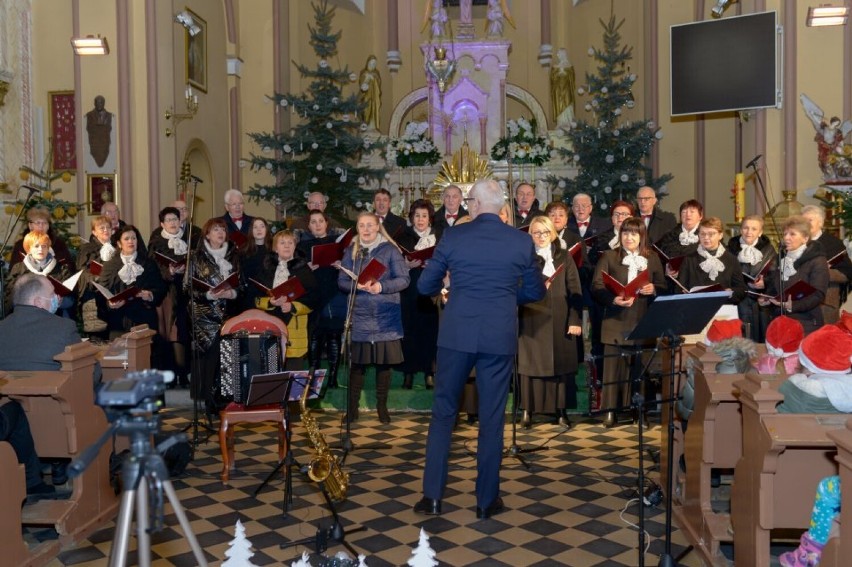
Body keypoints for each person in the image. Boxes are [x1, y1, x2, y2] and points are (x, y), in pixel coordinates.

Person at [414, 179, 546, 519]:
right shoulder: (520, 241)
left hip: (456, 334)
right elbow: (534, 292)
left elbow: (424, 285)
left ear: (473, 205)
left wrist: (452, 286)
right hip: (497, 336)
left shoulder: (454, 236)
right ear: (501, 207)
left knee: (444, 414)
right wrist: (503, 296)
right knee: (491, 419)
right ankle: (486, 502)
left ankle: (431, 498)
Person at [0, 274, 80, 501]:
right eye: (52, 295)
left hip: (13, 415)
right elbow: (90, 376)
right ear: (37, 302)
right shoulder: (64, 327)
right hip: (60, 423)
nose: (57, 298)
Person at [592, 217, 667, 427]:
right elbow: (597, 285)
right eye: (625, 233)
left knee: (639, 369)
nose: (629, 237)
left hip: (642, 319)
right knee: (612, 367)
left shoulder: (651, 258)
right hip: (616, 318)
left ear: (642, 236)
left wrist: (653, 289)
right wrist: (612, 298)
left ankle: (638, 411)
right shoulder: (609, 256)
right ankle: (610, 411)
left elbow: (662, 284)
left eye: (634, 233)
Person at [337, 211, 410, 424]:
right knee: (357, 366)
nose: (366, 229)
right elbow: (341, 281)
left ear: (378, 226)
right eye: (362, 226)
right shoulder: (352, 251)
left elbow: (404, 279)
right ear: (357, 229)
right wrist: (355, 284)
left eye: (370, 225)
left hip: (384, 316)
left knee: (383, 366)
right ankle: (352, 409)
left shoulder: (389, 250)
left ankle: (381, 407)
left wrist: (381, 286)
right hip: (359, 316)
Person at [517, 215, 583, 429]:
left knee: (560, 366)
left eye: (545, 232)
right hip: (531, 317)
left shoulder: (564, 256)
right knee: (529, 365)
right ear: (530, 235)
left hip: (560, 318)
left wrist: (574, 319)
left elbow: (575, 290)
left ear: (552, 233)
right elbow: (515, 286)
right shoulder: (523, 257)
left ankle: (561, 411)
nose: (541, 236)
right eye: (536, 233)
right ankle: (527, 410)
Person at [190, 218, 241, 417]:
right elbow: (188, 287)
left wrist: (233, 293)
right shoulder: (196, 257)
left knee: (227, 359)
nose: (219, 233)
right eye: (215, 229)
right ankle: (209, 403)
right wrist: (208, 294)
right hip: (204, 316)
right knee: (210, 361)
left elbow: (241, 284)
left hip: (229, 315)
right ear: (207, 234)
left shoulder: (234, 255)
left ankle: (225, 399)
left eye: (222, 229)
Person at [297, 210, 348, 388]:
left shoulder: (338, 243)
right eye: (313, 222)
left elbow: (348, 263)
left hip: (334, 292)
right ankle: (313, 377)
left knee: (334, 334)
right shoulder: (302, 246)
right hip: (314, 293)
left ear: (327, 223)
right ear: (308, 226)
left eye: (320, 221)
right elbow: (296, 272)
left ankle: (333, 378)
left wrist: (342, 265)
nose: (317, 225)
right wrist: (306, 267)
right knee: (315, 336)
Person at [255, 230, 319, 369]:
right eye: (282, 243)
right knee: (272, 371)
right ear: (275, 248)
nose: (287, 246)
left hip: (294, 329)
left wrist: (293, 306)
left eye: (290, 243)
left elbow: (314, 299)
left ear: (295, 247)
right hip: (270, 327)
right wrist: (270, 303)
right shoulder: (267, 269)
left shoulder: (303, 270)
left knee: (294, 374)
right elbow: (255, 298)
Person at [760, 215, 828, 335]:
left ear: (805, 238)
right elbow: (774, 287)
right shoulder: (780, 258)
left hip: (806, 323)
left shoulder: (817, 260)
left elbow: (818, 294)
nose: (786, 238)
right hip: (779, 321)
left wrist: (793, 305)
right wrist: (767, 298)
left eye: (792, 234)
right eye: (785, 234)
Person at [397, 199, 440, 390]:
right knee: (410, 332)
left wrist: (435, 264)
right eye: (417, 216)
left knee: (430, 332)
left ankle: (429, 372)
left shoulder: (439, 236)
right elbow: (394, 265)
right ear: (411, 218)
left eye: (424, 216)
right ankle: (409, 373)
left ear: (430, 218)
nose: (420, 220)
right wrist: (405, 265)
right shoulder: (404, 237)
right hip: (410, 291)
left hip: (431, 292)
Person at [98, 225, 166, 339]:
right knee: (119, 355)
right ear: (119, 244)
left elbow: (160, 288)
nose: (131, 241)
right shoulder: (110, 266)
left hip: (144, 320)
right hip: (119, 321)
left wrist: (150, 295)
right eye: (126, 239)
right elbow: (102, 293)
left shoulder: (148, 263)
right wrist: (110, 304)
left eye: (134, 238)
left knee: (145, 355)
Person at [148, 206, 191, 386]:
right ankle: (171, 375)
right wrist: (170, 270)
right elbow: (151, 268)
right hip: (166, 293)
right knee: (168, 333)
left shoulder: (189, 238)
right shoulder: (157, 242)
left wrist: (186, 267)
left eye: (175, 219)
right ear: (162, 224)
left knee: (184, 332)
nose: (173, 223)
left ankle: (184, 374)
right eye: (169, 220)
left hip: (186, 292)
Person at [727, 215, 776, 342]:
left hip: (759, 303)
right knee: (739, 339)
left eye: (754, 229)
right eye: (745, 228)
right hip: (737, 301)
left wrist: (764, 282)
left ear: (760, 232)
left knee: (759, 341)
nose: (749, 232)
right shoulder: (730, 249)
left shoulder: (769, 250)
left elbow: (775, 274)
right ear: (740, 229)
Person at [676, 217, 746, 304]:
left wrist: (730, 291)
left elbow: (741, 289)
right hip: (697, 307)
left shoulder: (731, 259)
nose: (706, 237)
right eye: (702, 234)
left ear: (720, 235)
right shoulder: (689, 259)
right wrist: (685, 294)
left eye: (711, 234)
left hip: (724, 308)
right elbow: (679, 288)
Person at [801, 204, 852, 325]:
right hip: (799, 302)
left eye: (810, 220)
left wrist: (822, 271)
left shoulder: (833, 243)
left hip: (825, 302)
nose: (806, 224)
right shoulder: (795, 241)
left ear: (821, 223)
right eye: (803, 221)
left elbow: (847, 273)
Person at [4, 231, 73, 318]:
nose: (40, 249)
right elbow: (10, 297)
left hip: (55, 319)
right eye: (36, 246)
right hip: (25, 318)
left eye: (44, 246)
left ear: (48, 248)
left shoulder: (61, 269)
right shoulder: (19, 269)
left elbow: (71, 301)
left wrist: (60, 302)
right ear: (29, 249)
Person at [76, 215, 116, 335]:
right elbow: (81, 271)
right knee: (98, 339)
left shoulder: (118, 247)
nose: (105, 230)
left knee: (116, 337)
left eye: (108, 227)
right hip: (94, 295)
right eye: (101, 228)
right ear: (94, 232)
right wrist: (96, 277)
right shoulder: (87, 249)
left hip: (114, 295)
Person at [9, 206, 74, 270]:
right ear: (30, 226)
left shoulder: (59, 244)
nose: (41, 226)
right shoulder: (20, 245)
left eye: (44, 223)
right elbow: (14, 271)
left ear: (48, 226)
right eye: (38, 223)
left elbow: (69, 267)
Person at [239, 217, 273, 313]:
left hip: (269, 295)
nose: (259, 230)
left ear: (266, 229)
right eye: (255, 227)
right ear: (251, 231)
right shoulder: (243, 251)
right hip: (250, 295)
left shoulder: (274, 249)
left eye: (262, 226)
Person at [655, 199, 704, 264]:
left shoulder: (707, 234)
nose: (688, 215)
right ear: (680, 217)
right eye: (684, 212)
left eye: (692, 212)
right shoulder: (670, 234)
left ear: (700, 216)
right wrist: (668, 268)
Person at [550, 48, 576, 126]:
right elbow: (552, 79)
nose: (558, 55)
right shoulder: (555, 67)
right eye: (558, 54)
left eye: (559, 54)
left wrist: (565, 73)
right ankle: (560, 123)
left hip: (567, 88)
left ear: (563, 54)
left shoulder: (569, 66)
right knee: (559, 104)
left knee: (568, 103)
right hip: (558, 90)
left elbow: (572, 79)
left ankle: (568, 121)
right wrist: (558, 73)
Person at [86, 95, 112, 167]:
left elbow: (108, 129)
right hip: (95, 146)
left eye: (101, 103)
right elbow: (89, 128)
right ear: (94, 104)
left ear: (104, 103)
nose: (99, 104)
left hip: (104, 146)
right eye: (98, 103)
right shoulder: (90, 115)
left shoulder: (109, 115)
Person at [359, 55, 381, 131]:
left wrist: (374, 78)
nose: (372, 66)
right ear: (368, 63)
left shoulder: (376, 73)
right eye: (371, 64)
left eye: (374, 64)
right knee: (366, 109)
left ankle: (373, 126)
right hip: (366, 96)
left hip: (374, 96)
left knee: (374, 109)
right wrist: (367, 78)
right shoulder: (363, 72)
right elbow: (361, 85)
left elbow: (379, 82)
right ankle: (366, 125)